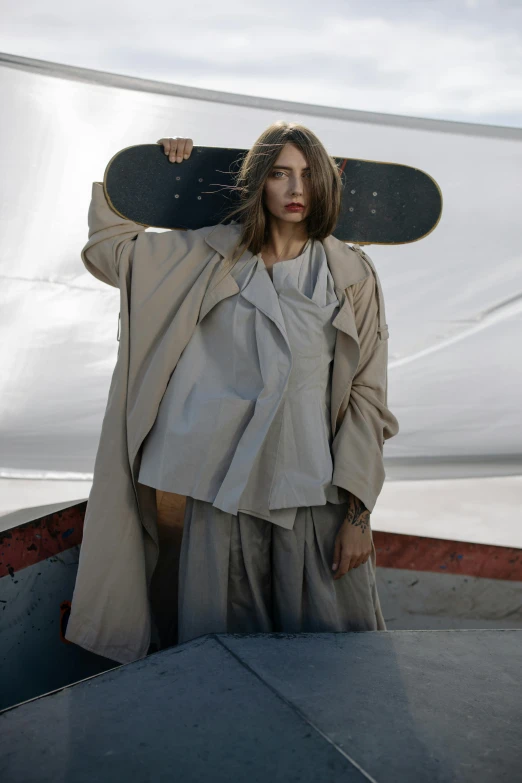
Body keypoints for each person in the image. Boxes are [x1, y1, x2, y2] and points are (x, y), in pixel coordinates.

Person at [65, 121, 399, 664]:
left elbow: (367, 394)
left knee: (333, 665)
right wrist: (149, 182)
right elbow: (112, 253)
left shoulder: (350, 273)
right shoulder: (205, 256)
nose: (295, 190)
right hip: (217, 497)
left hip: (312, 494)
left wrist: (359, 517)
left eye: (308, 176)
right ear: (258, 183)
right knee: (218, 662)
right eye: (279, 174)